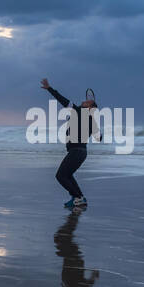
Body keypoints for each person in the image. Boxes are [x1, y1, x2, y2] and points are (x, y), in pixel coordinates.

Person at [40, 78, 98, 208]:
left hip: (77, 152)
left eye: (88, 101)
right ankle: (79, 198)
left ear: (89, 108)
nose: (84, 100)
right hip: (81, 152)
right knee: (68, 175)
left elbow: (64, 101)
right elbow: (98, 136)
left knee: (60, 176)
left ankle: (77, 197)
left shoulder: (79, 111)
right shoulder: (90, 119)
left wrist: (49, 88)